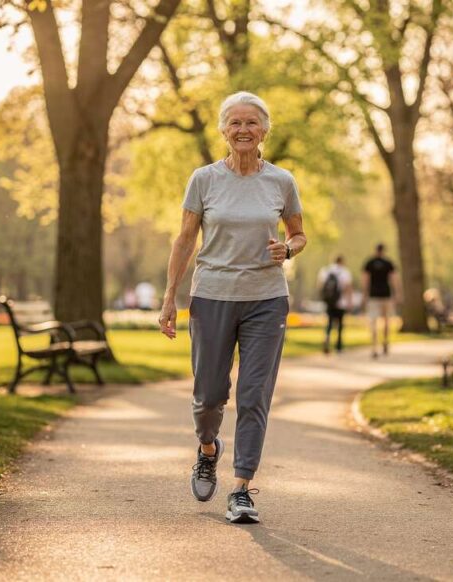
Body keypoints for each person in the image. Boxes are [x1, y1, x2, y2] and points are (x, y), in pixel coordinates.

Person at [158, 91, 306, 525]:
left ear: (264, 131)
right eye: (236, 123)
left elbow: (298, 234)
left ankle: (241, 488)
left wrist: (288, 249)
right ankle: (208, 450)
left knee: (254, 394)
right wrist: (170, 296)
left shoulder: (281, 181)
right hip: (212, 296)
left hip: (266, 298)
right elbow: (185, 239)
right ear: (224, 130)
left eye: (251, 123)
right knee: (208, 395)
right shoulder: (204, 179)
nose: (243, 130)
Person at [363, 243, 400, 359]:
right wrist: (397, 294)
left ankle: (374, 346)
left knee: (373, 321)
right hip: (386, 295)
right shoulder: (388, 263)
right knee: (386, 320)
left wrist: (365, 295)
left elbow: (365, 280)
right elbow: (394, 279)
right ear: (383, 251)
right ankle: (385, 341)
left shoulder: (369, 263)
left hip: (373, 296)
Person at [317, 255, 353, 353]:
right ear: (342, 261)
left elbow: (320, 285)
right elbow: (348, 288)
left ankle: (327, 340)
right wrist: (349, 302)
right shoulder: (345, 272)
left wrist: (325, 297)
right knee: (340, 324)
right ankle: (338, 346)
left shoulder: (326, 270)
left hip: (329, 302)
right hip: (341, 302)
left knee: (329, 322)